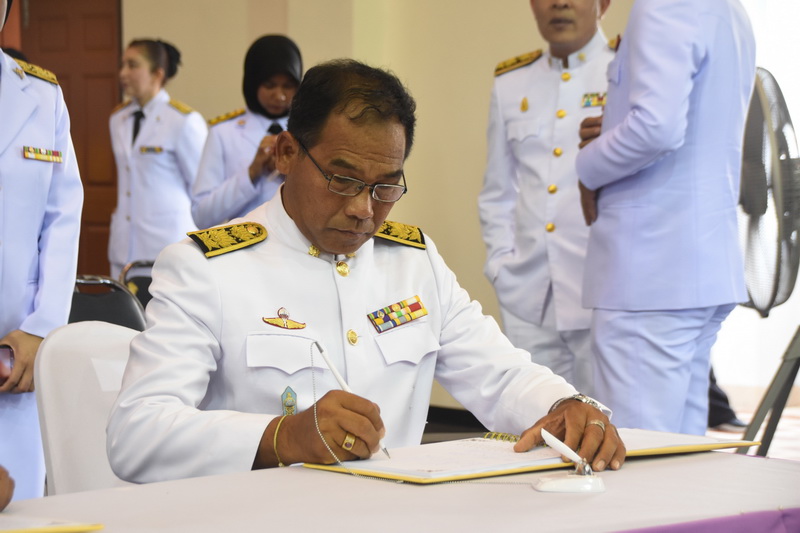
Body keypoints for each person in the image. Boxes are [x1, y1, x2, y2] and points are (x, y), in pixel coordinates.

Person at [107, 59, 625, 483]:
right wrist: (280, 437)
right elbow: (136, 433)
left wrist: (566, 404)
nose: (362, 209)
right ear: (287, 154)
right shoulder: (208, 268)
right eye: (343, 179)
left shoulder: (413, 261)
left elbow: (500, 373)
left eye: (385, 187)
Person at [575, 0, 756, 435]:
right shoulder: (729, 9)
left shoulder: (664, 5)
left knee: (638, 450)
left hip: (652, 269)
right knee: (679, 450)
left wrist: (586, 167)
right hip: (697, 264)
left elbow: (656, 129)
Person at [479, 0, 613, 396]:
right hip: (528, 293)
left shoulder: (623, 70)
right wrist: (500, 266)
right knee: (534, 416)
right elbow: (497, 190)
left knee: (606, 420)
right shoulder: (511, 82)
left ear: (603, 4)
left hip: (599, 289)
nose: (560, 3)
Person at [0, 0, 84, 501]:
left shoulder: (41, 95)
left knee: (20, 506)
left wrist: (43, 327)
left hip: (16, 353)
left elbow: (62, 216)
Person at [108, 39, 207, 279]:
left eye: (133, 65)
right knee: (123, 303)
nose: (123, 73)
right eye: (123, 65)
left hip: (167, 243)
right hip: (124, 245)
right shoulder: (118, 119)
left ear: (157, 74)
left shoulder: (183, 121)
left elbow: (202, 190)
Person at [191, 35, 302, 229]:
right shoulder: (223, 133)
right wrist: (252, 173)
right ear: (253, 83)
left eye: (288, 86)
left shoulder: (308, 131)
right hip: (243, 243)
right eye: (270, 85)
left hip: (297, 242)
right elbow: (202, 216)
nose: (279, 96)